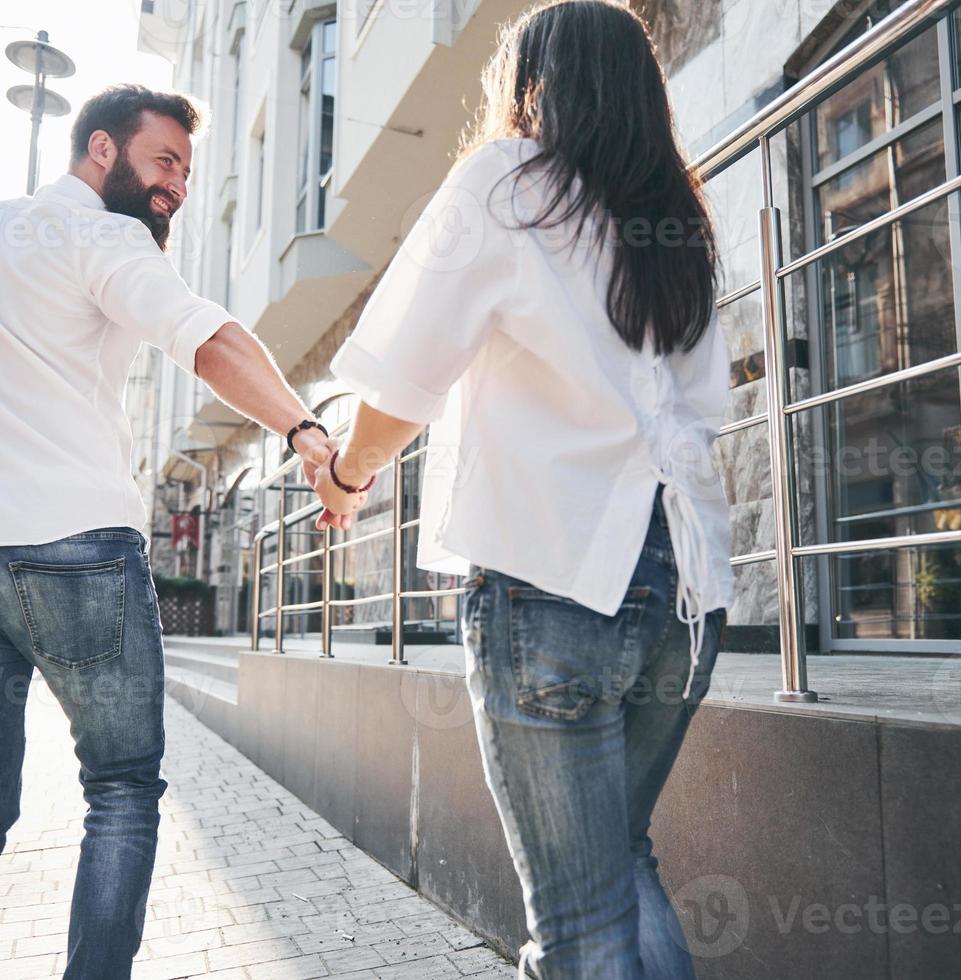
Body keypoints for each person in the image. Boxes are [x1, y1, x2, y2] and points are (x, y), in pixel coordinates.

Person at [315, 2, 733, 977]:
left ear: (532, 83)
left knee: (579, 926)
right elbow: (702, 400)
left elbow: (408, 375)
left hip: (552, 578)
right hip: (685, 591)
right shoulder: (679, 219)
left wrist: (345, 471)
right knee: (619, 862)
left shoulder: (508, 179)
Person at [0, 84, 349, 979]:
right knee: (119, 792)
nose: (176, 184)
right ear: (100, 149)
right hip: (75, 551)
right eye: (165, 160)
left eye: (186, 168)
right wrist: (304, 431)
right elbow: (207, 339)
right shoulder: (107, 237)